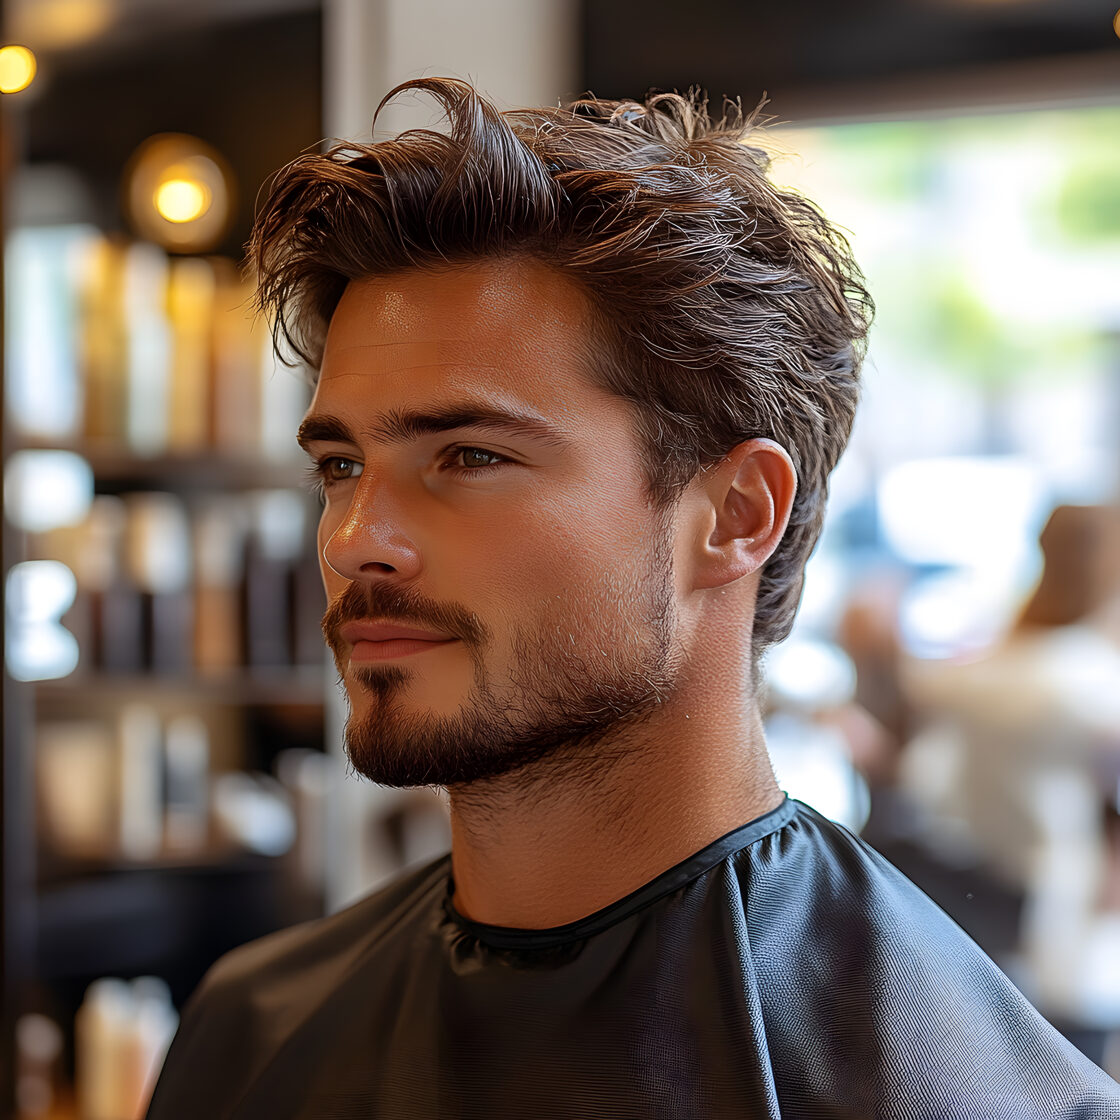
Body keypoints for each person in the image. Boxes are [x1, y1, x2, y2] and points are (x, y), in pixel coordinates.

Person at [145, 78, 1120, 1119]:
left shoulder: (954, 1092)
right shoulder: (253, 1033)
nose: (355, 540)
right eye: (341, 466)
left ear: (738, 513)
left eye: (467, 455)